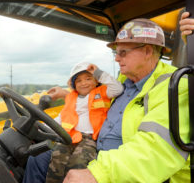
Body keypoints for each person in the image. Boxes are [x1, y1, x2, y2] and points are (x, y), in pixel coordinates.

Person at [24, 13, 194, 183]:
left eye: (123, 52)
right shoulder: (124, 82)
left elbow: (156, 150)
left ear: (148, 51)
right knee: (36, 160)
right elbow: (94, 100)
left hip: (133, 170)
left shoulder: (175, 86)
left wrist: (99, 173)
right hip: (97, 151)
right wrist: (66, 94)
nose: (117, 58)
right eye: (116, 53)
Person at [23, 62, 123, 183]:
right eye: (79, 81)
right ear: (74, 85)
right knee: (56, 160)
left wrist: (98, 73)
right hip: (69, 137)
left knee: (78, 163)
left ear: (96, 81)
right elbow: (62, 117)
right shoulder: (71, 98)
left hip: (89, 138)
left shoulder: (102, 93)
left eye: (88, 78)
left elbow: (118, 89)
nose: (84, 83)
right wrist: (40, 127)